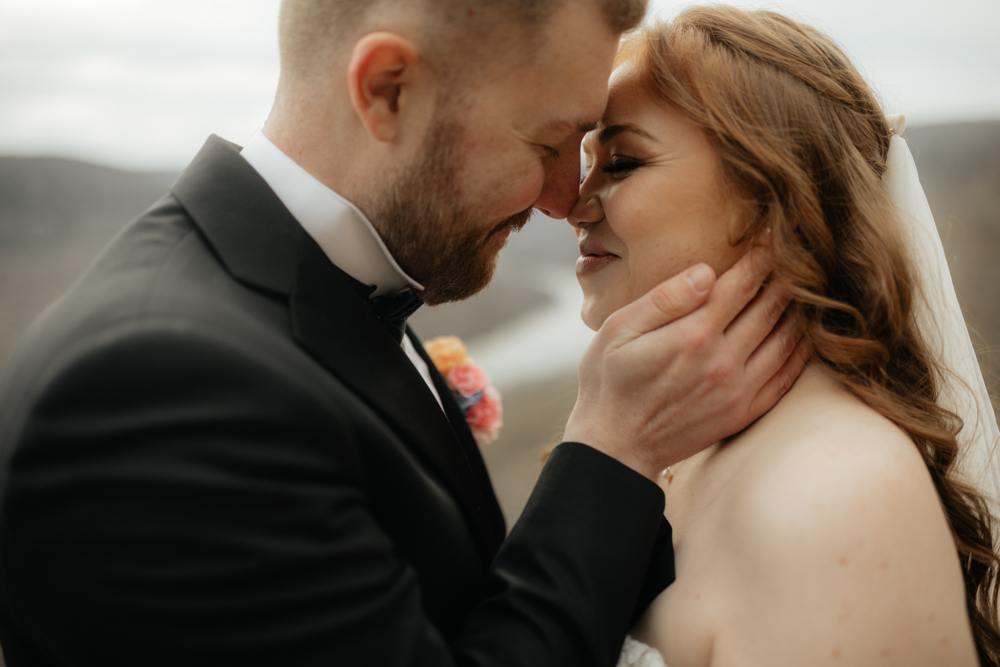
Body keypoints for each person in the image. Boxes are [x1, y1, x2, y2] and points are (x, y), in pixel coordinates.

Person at [0, 1, 810, 665]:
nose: (566, 196)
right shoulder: (158, 388)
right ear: (387, 89)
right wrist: (610, 451)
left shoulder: (321, 289)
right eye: (548, 142)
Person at [566, 7, 1000, 666]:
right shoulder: (678, 445)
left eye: (621, 161)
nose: (574, 203)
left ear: (773, 202)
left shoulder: (836, 497)